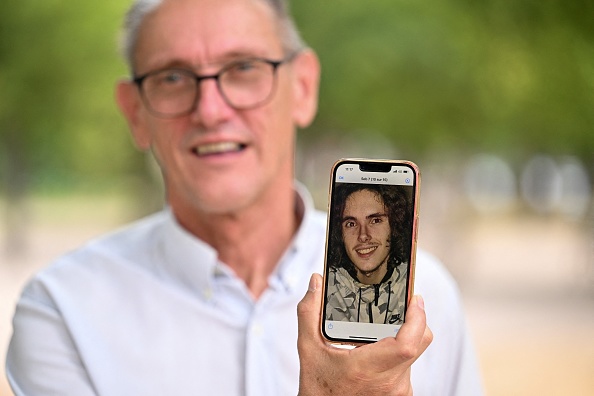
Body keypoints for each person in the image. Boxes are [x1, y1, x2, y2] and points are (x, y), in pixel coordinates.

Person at [5, 0, 483, 395]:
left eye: (244, 68)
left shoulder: (427, 300)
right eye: (172, 77)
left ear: (303, 87)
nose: (210, 110)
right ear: (135, 112)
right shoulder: (63, 312)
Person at [325, 183, 411, 324]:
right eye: (351, 224)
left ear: (395, 225)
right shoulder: (325, 288)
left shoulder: (414, 286)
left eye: (375, 221)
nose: (363, 235)